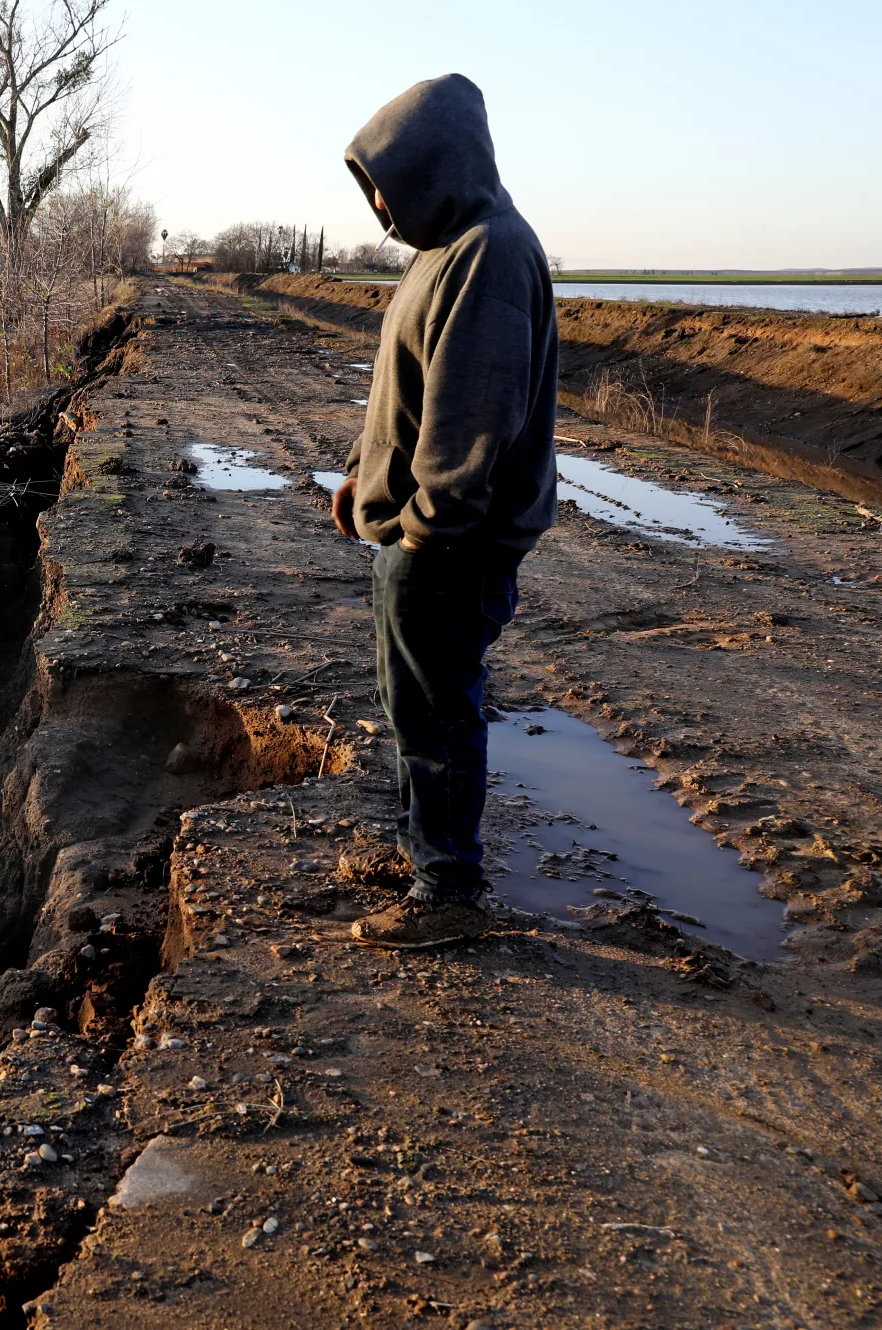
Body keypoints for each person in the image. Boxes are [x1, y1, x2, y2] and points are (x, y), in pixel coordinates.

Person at [330, 74, 559, 948]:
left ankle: (448, 895)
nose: (378, 200)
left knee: (438, 710)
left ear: (436, 165)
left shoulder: (490, 253)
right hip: (418, 534)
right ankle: (427, 855)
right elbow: (403, 391)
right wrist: (361, 476)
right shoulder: (442, 249)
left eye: (386, 178)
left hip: (449, 545)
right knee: (413, 703)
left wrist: (425, 527)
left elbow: (473, 417)